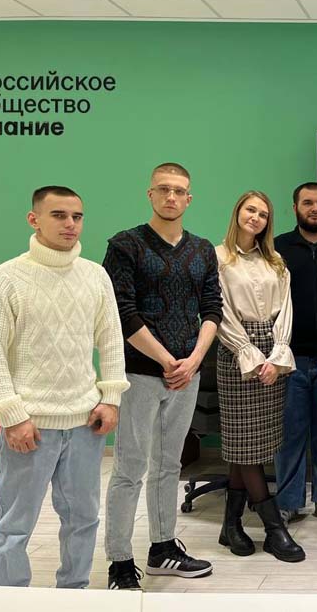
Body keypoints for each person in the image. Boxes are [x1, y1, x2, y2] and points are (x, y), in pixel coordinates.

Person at [0, 186, 128, 588]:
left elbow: (111, 340)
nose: (70, 224)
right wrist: (12, 415)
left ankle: (74, 593)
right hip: (30, 425)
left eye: (77, 216)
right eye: (58, 215)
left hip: (85, 423)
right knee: (14, 525)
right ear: (34, 219)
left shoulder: (95, 276)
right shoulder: (2, 279)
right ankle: (8, 600)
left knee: (83, 520)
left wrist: (111, 398)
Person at [102, 163, 223, 590]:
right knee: (129, 467)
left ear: (189, 198)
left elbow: (212, 307)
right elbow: (121, 310)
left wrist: (193, 360)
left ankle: (163, 548)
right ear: (150, 194)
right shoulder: (125, 245)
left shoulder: (202, 249)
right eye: (164, 189)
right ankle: (119, 562)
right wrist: (167, 359)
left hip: (186, 375)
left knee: (169, 465)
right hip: (140, 373)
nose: (172, 197)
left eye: (179, 191)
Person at [215, 191, 304, 562]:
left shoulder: (275, 260)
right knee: (246, 445)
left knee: (248, 445)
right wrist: (248, 353)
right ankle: (273, 529)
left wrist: (278, 353)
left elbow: (286, 309)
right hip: (238, 350)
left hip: (272, 351)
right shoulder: (218, 257)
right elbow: (219, 310)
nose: (256, 217)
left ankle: (230, 525)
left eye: (263, 214)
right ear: (237, 212)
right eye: (250, 210)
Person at [273, 182, 317, 528]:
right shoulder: (277, 248)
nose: (315, 208)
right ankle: (288, 502)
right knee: (290, 435)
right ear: (295, 207)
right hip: (290, 358)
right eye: (308, 203)